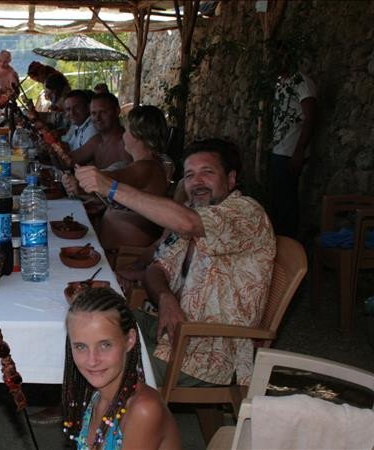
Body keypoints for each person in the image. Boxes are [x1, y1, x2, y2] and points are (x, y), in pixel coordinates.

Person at [75, 139, 275, 386]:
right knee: (91, 321)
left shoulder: (246, 213)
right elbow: (156, 269)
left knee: (102, 358)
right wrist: (166, 298)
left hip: (208, 351)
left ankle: (94, 413)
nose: (197, 182)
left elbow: (187, 223)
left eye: (207, 173)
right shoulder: (195, 213)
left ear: (231, 179)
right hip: (168, 326)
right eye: (190, 175)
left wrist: (112, 188)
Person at [63, 287, 181, 449]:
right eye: (81, 347)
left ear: (130, 340)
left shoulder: (144, 410)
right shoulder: (95, 393)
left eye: (105, 345)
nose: (92, 361)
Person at [65, 105, 169, 251]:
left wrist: (82, 179)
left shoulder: (146, 168)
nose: (123, 135)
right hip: (117, 251)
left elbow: (112, 179)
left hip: (126, 256)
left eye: (126, 130)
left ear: (137, 134)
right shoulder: (148, 165)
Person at [269, 49, 317, 239]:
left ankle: (291, 248)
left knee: (287, 204)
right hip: (278, 150)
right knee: (278, 204)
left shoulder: (302, 82)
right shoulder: (281, 84)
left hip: (290, 152)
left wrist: (299, 151)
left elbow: (310, 117)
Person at [70, 93, 131, 170]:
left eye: (103, 112)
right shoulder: (97, 141)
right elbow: (68, 161)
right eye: (93, 113)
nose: (97, 118)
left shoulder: (128, 143)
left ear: (117, 111)